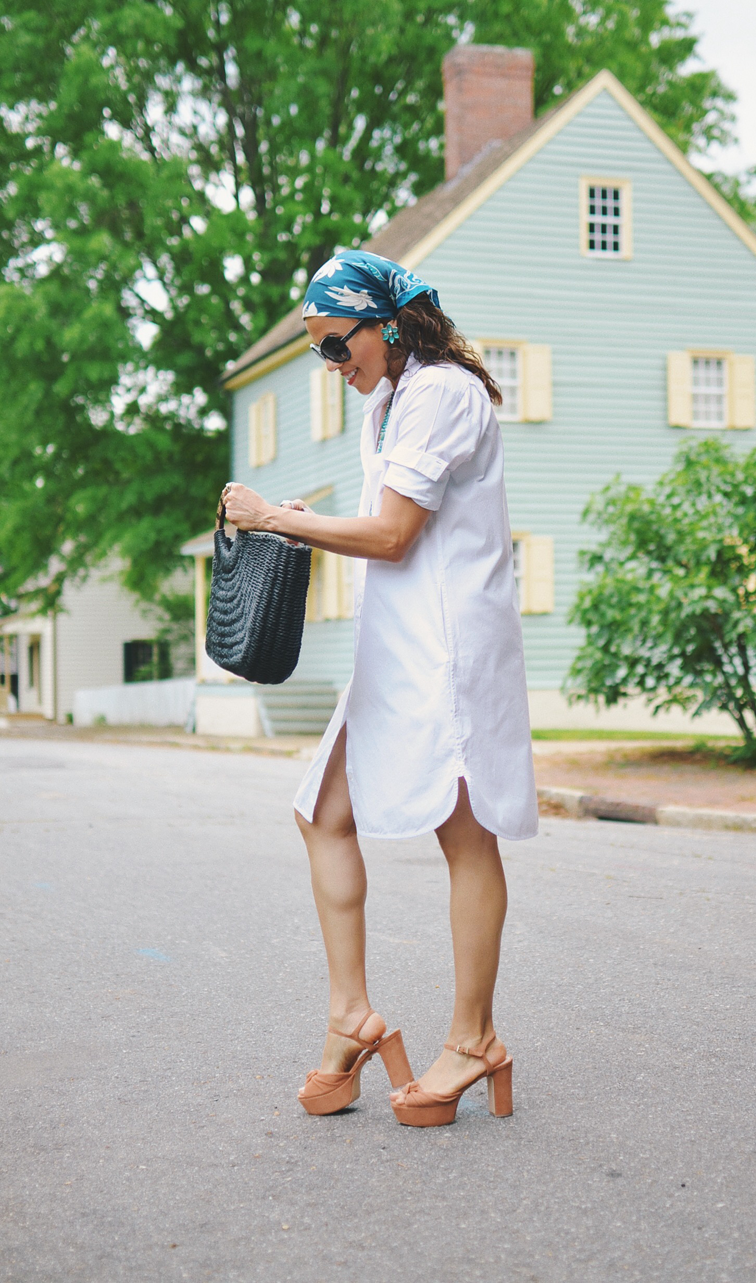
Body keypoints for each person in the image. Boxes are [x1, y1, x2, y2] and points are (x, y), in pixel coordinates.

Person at [222, 250, 538, 1127]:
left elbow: (396, 534)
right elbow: (380, 525)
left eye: (336, 346)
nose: (333, 368)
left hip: (449, 649)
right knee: (321, 810)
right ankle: (350, 1018)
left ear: (386, 323)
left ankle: (473, 1039)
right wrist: (287, 520)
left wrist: (277, 517)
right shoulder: (393, 402)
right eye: (322, 352)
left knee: (465, 835)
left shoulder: (439, 392)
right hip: (393, 651)